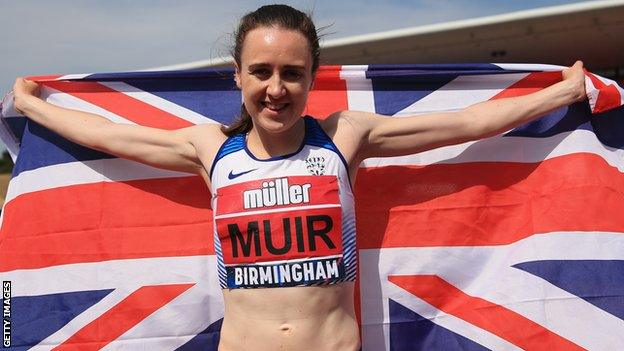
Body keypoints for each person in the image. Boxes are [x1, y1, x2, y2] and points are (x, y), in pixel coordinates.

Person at [12, 4, 586, 351]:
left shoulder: (346, 138)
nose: (276, 88)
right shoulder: (211, 150)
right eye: (261, 72)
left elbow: (465, 123)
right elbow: (110, 136)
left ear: (314, 77)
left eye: (293, 73)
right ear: (237, 76)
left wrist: (562, 92)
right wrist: (34, 107)